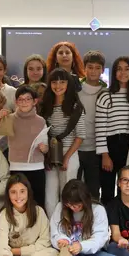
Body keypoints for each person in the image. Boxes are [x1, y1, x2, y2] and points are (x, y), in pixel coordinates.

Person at [50, 180, 122, 256]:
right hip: (70, 254)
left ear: (85, 200)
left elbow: (100, 238)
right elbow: (56, 232)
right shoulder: (60, 207)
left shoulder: (97, 209)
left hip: (92, 253)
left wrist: (82, 246)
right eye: (70, 205)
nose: (74, 209)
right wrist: (62, 240)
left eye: (77, 205)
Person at [0, 86, 48, 208]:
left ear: (35, 101)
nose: (24, 102)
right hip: (16, 168)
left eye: (28, 99)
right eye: (21, 99)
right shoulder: (10, 118)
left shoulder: (41, 121)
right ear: (16, 102)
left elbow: (46, 147)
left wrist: (44, 148)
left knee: (37, 204)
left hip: (37, 167)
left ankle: (37, 227)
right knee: (18, 204)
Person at [41, 68, 86, 215]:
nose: (58, 85)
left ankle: (67, 227)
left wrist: (66, 158)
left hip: (69, 153)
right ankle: (53, 229)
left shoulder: (75, 107)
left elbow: (80, 136)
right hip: (50, 155)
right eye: (54, 82)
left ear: (69, 84)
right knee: (49, 196)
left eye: (62, 81)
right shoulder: (46, 106)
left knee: (67, 195)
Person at [95, 56, 129, 205]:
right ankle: (107, 225)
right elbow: (99, 128)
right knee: (107, 191)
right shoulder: (106, 95)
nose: (123, 72)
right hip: (110, 146)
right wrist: (105, 155)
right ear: (114, 73)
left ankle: (123, 225)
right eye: (119, 69)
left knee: (126, 189)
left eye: (127, 69)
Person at [77, 50, 106, 200]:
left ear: (102, 70)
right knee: (74, 189)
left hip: (96, 150)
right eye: (90, 67)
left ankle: (93, 221)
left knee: (94, 190)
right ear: (84, 68)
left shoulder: (106, 92)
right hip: (76, 147)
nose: (93, 71)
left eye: (97, 67)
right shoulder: (76, 90)